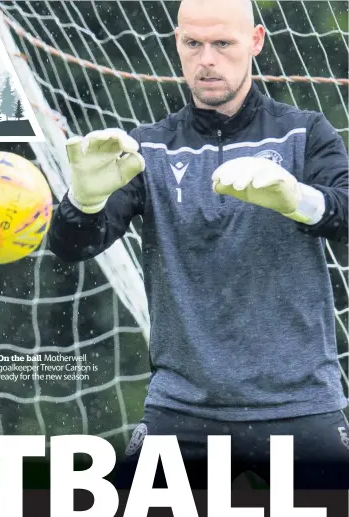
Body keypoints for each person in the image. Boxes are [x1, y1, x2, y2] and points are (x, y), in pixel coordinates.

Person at [48, 0, 349, 490]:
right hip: (182, 409)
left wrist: (300, 199)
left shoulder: (305, 132)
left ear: (254, 41)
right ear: (177, 45)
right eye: (194, 44)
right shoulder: (145, 149)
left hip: (302, 405)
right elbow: (73, 246)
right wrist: (81, 199)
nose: (207, 59)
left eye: (223, 44)